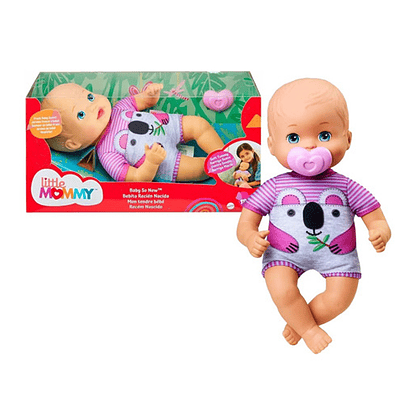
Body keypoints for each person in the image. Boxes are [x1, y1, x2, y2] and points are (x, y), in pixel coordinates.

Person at [237, 78, 391, 354]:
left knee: (340, 298)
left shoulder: (346, 186)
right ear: (271, 145)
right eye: (293, 138)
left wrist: (380, 230)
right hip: (283, 254)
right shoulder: (274, 187)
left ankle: (300, 323)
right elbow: (247, 221)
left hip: (338, 256)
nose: (309, 147)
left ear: (347, 139)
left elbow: (375, 215)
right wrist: (249, 237)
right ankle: (308, 330)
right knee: (282, 290)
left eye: (324, 135)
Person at [41, 82, 224, 182]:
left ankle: (226, 154)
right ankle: (224, 169)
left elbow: (146, 101)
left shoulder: (119, 107)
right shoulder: (107, 155)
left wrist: (150, 93)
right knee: (201, 169)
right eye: (81, 114)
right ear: (74, 143)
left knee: (199, 124)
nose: (93, 105)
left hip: (169, 126)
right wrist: (152, 162)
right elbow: (137, 179)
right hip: (164, 161)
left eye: (89, 97)